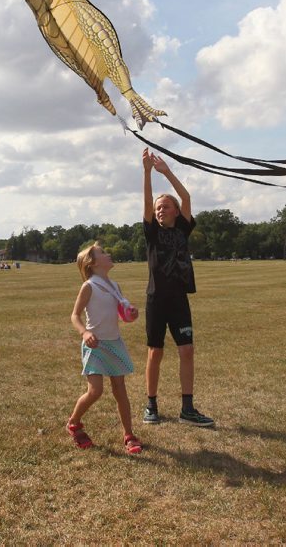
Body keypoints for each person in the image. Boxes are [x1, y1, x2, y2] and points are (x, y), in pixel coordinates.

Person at [142, 148, 214, 427]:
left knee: (186, 350)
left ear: (175, 212)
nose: (161, 210)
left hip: (179, 299)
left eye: (165, 206)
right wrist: (147, 172)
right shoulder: (152, 232)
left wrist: (166, 172)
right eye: (159, 208)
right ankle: (151, 404)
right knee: (155, 352)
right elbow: (147, 202)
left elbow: (186, 197)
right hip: (156, 299)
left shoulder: (182, 229)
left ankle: (188, 408)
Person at [66, 242, 143, 455]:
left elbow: (119, 313)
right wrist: (85, 333)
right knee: (95, 390)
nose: (108, 254)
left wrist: (131, 314)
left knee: (120, 389)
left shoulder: (115, 286)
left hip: (114, 342)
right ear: (92, 262)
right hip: (95, 344)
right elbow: (75, 315)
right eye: (103, 253)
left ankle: (129, 435)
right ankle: (74, 423)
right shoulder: (89, 286)